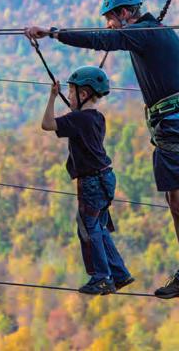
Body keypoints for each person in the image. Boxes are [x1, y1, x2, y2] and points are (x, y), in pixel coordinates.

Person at [26, 0, 179, 302]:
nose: (108, 26)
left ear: (124, 13)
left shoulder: (144, 33)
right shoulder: (149, 32)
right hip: (176, 123)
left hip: (176, 124)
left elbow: (99, 40)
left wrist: (53, 33)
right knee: (176, 200)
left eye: (110, 19)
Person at [40, 65, 134, 295]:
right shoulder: (97, 118)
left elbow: (47, 124)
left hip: (91, 182)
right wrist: (71, 106)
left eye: (71, 92)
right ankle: (119, 273)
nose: (69, 95)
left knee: (88, 227)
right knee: (98, 226)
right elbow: (77, 119)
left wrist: (52, 97)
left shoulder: (78, 119)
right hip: (106, 178)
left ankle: (102, 277)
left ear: (83, 94)